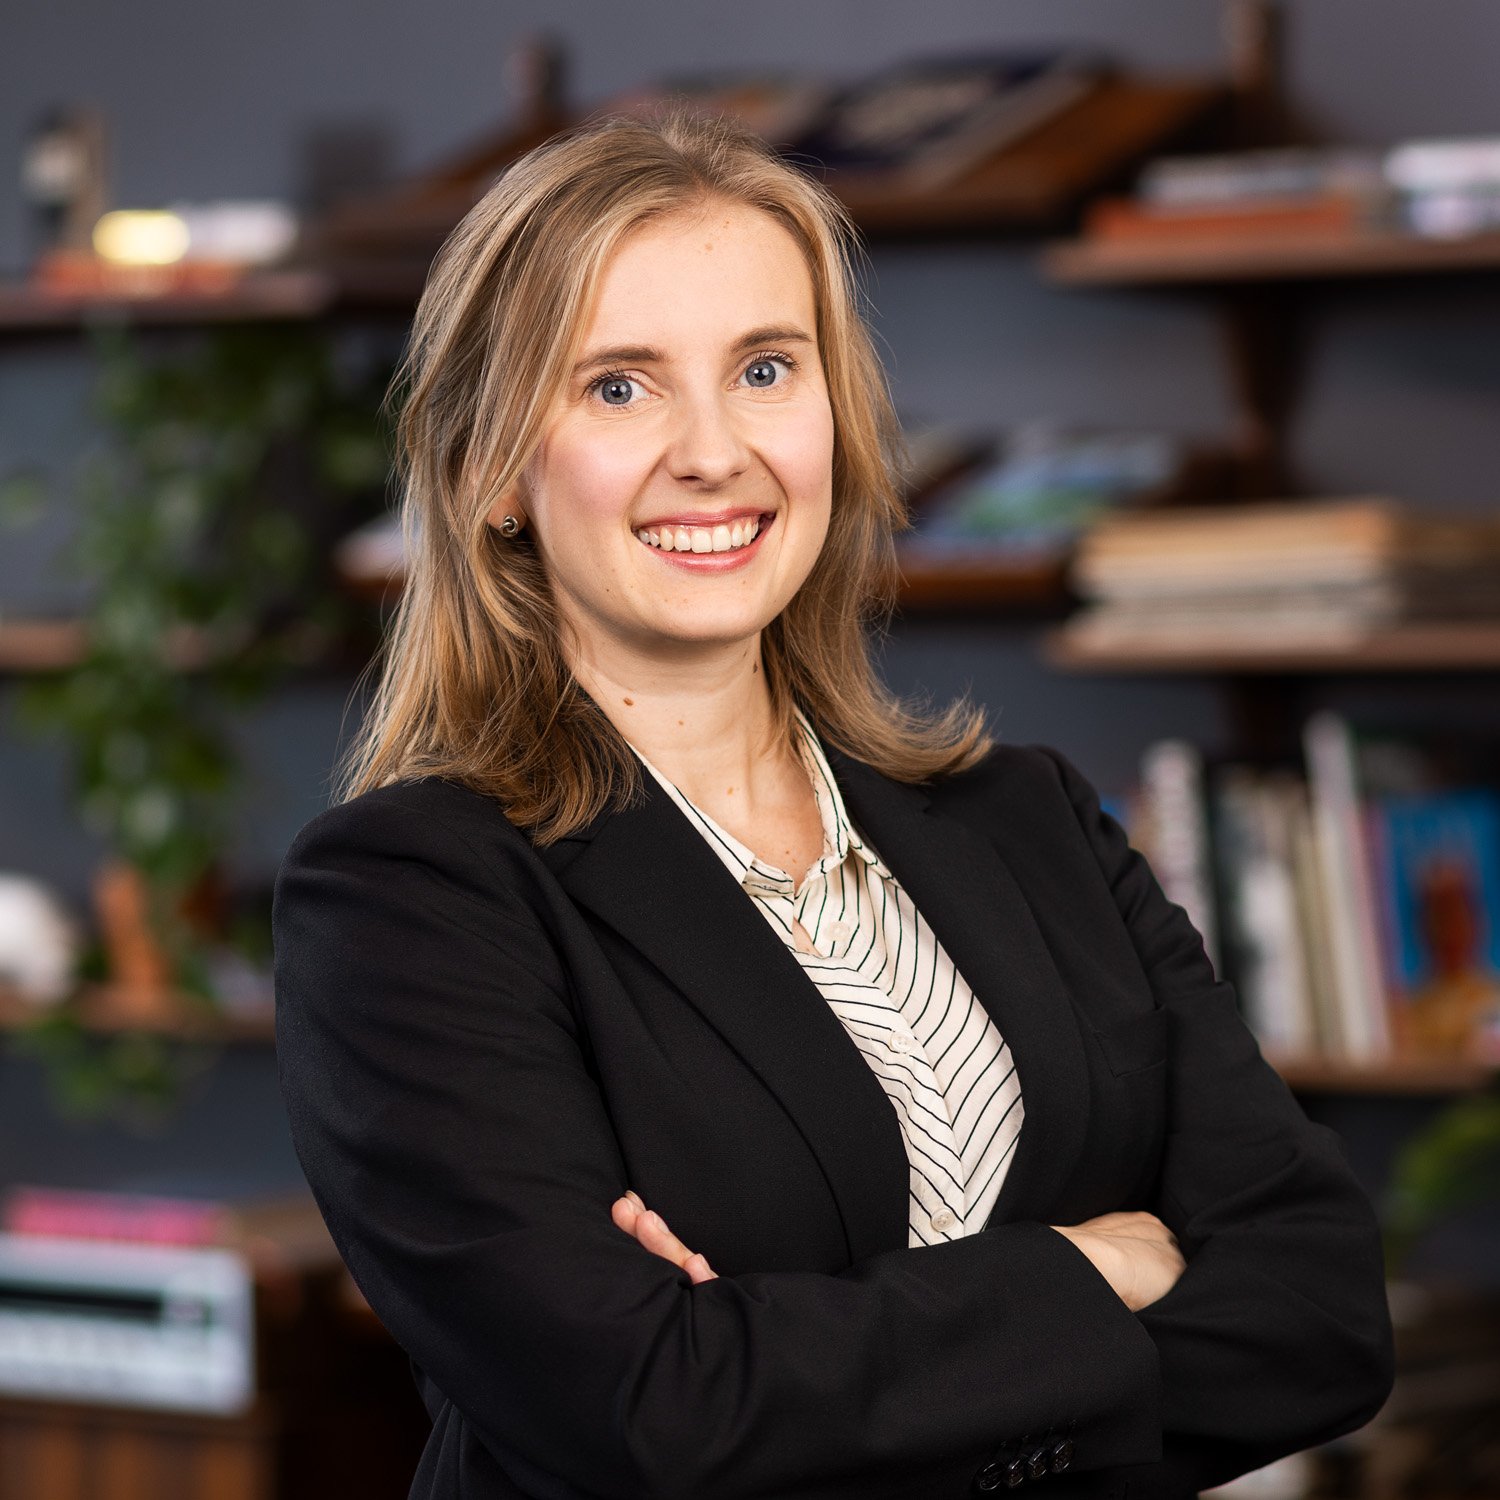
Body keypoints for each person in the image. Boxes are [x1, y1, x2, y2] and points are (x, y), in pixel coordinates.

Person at [273, 111, 1394, 1500]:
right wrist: (1090, 1267)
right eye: (620, 387)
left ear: (837, 415)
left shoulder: (1030, 820)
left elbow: (1323, 1312)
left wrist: (784, 1355)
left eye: (763, 370)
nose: (713, 452)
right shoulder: (409, 901)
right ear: (495, 471)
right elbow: (649, 1417)